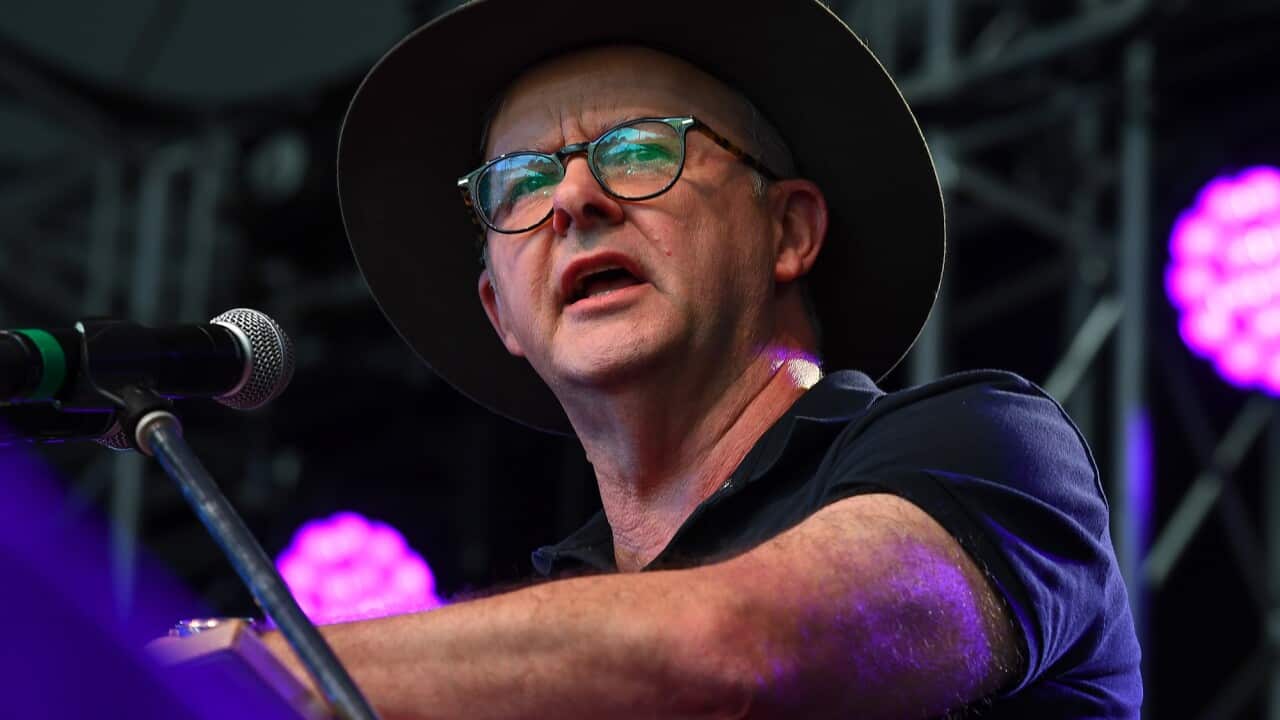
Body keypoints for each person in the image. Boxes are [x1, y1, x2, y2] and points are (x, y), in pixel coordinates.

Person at [263, 0, 1142, 717]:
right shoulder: (557, 596)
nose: (571, 197)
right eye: (520, 183)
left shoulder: (990, 448)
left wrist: (249, 671)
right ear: (502, 312)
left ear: (788, 231)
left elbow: (732, 653)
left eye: (641, 149)